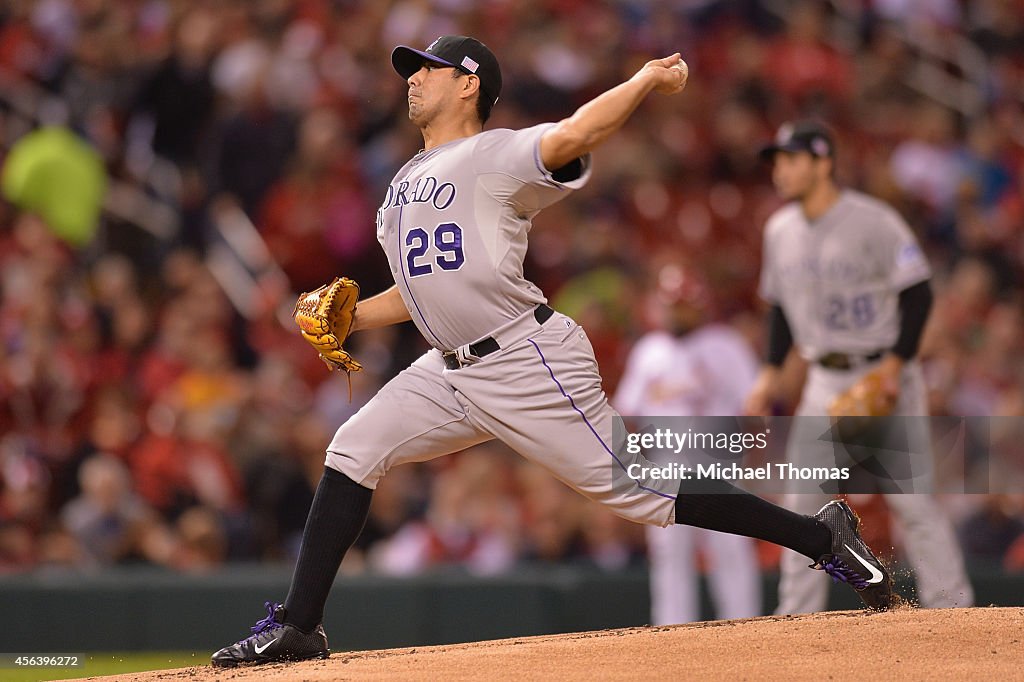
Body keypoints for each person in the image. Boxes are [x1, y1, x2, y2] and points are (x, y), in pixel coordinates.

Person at [211, 37, 894, 667]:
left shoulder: (494, 154)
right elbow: (419, 291)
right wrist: (353, 318)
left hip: (523, 358)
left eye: (427, 68)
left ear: (469, 85)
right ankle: (302, 627)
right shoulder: (398, 189)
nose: (412, 79)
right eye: (410, 70)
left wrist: (646, 80)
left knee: (639, 492)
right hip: (448, 369)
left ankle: (822, 537)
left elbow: (577, 134)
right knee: (353, 449)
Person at [745, 120, 974, 615]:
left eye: (790, 158)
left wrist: (896, 362)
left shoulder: (873, 220)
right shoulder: (778, 230)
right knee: (802, 503)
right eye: (776, 161)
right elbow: (781, 309)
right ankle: (795, 618)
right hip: (823, 378)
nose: (779, 170)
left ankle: (953, 610)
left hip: (880, 375)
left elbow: (918, 293)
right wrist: (769, 369)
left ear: (822, 161)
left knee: (912, 504)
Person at [614, 264, 762, 624]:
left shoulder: (725, 345)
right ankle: (671, 634)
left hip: (718, 465)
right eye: (671, 304)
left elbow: (755, 406)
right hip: (665, 468)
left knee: (730, 550)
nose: (676, 312)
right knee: (670, 557)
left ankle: (746, 630)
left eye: (683, 304)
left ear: (700, 305)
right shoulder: (649, 350)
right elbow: (625, 413)